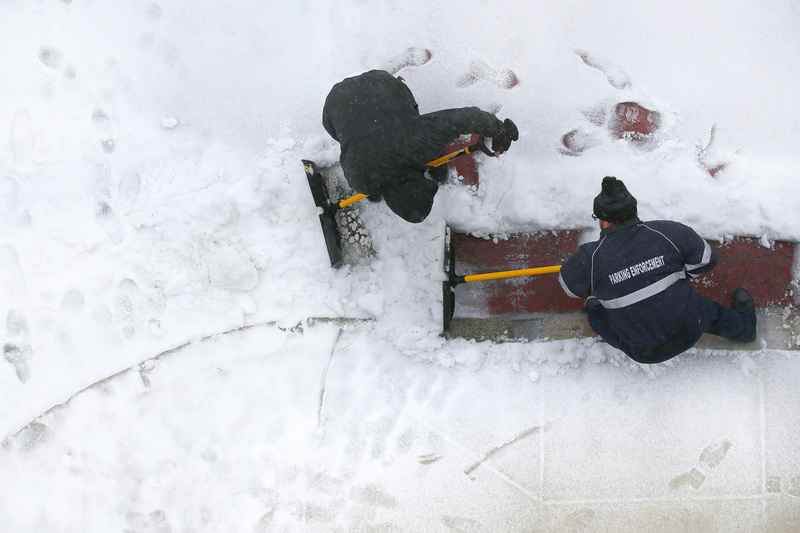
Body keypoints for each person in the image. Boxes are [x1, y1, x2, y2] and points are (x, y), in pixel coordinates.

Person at [558, 176, 757, 364]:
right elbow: (706, 259)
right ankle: (746, 330)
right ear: (632, 210)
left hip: (642, 351)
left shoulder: (590, 257)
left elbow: (569, 288)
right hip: (689, 329)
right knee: (709, 311)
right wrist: (679, 274)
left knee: (597, 314)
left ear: (605, 220)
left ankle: (595, 307)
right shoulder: (668, 232)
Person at [322, 69, 518, 223]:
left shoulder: (420, 141)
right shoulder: (361, 181)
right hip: (353, 94)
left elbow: (465, 118)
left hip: (359, 93)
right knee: (353, 137)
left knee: (363, 137)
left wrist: (498, 130)